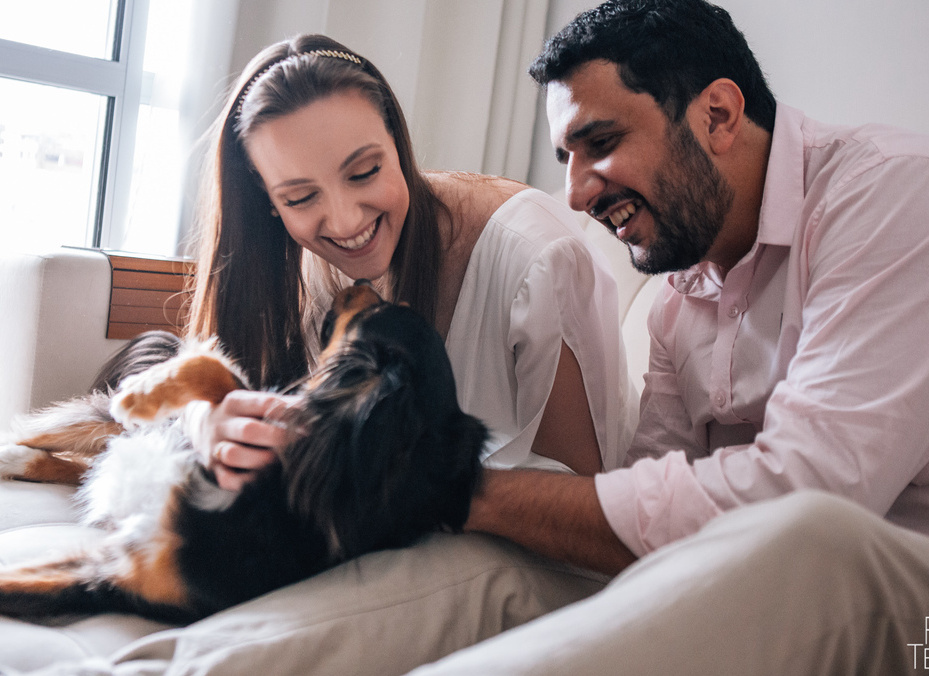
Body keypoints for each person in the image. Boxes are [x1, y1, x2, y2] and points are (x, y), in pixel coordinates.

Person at [365, 0, 929, 676]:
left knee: (814, 538)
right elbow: (645, 519)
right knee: (506, 568)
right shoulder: (678, 303)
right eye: (566, 157)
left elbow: (810, 490)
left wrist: (469, 492)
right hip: (786, 593)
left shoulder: (902, 197)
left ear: (718, 115)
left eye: (601, 144)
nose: (576, 194)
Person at [182, 33, 632, 489]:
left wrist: (396, 481)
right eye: (299, 198)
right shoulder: (299, 260)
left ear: (397, 140)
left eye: (364, 172)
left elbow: (583, 499)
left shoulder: (535, 258)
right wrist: (203, 420)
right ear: (268, 202)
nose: (344, 222)